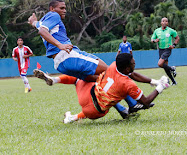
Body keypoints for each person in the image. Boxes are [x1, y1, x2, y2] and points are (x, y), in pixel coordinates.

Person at [28, 0, 160, 118]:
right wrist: (60, 45)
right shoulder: (54, 16)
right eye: (61, 8)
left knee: (103, 81)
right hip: (69, 55)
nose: (64, 10)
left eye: (65, 8)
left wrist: (33, 22)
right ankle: (133, 103)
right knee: (113, 74)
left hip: (59, 64)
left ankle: (122, 110)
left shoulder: (44, 21)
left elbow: (39, 27)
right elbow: (42, 32)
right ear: (52, 9)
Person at [34, 53, 170, 123]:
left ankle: (56, 80)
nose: (135, 63)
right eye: (133, 63)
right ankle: (126, 109)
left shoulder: (112, 66)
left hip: (87, 96)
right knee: (113, 94)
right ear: (128, 67)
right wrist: (160, 87)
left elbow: (132, 74)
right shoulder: (128, 84)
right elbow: (146, 102)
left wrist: (153, 81)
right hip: (96, 113)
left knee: (82, 78)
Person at [151, 17, 180, 85]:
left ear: (167, 23)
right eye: (163, 21)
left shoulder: (170, 30)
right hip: (160, 49)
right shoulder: (157, 31)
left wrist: (174, 45)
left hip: (167, 49)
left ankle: (172, 68)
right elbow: (152, 39)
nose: (164, 22)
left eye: (166, 21)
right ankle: (174, 81)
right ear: (161, 23)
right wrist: (155, 40)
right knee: (165, 67)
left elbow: (177, 38)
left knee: (160, 64)